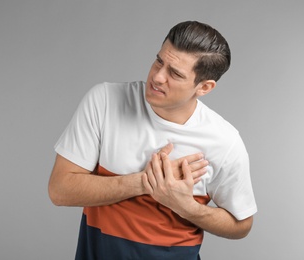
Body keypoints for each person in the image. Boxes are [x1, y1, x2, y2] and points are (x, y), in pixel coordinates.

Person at [48, 21, 257, 259]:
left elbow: (242, 225)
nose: (157, 77)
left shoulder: (225, 141)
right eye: (159, 61)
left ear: (204, 87)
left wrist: (186, 207)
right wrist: (146, 182)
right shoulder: (105, 101)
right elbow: (60, 190)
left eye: (175, 73)